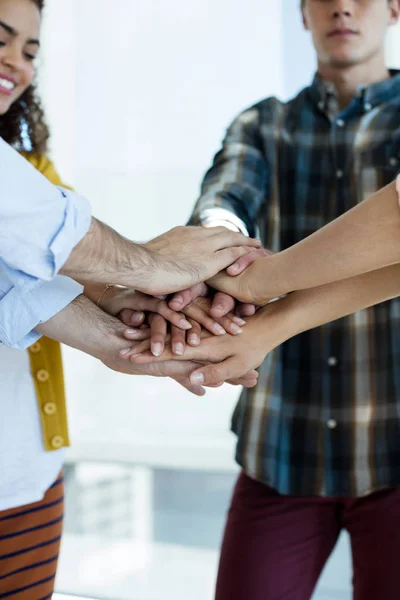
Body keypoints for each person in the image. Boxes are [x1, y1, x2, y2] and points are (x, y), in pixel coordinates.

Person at [130, 1, 400, 599]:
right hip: (281, 446)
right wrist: (221, 249)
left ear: (394, 8)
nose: (343, 7)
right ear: (303, 15)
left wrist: (252, 284)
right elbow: (225, 194)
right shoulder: (261, 124)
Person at [0, 1, 260, 597]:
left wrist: (120, 318)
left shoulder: (31, 172)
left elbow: (19, 280)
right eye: (1, 37)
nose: (15, 62)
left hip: (29, 480)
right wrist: (153, 267)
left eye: (31, 50)